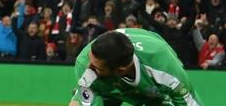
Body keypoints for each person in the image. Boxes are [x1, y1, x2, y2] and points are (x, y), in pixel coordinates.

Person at [69, 29, 204, 106]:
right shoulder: (84, 63)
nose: (89, 68)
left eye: (97, 68)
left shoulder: (164, 67)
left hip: (156, 91)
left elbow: (188, 102)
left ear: (120, 70)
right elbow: (80, 102)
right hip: (108, 88)